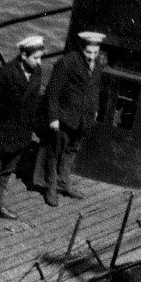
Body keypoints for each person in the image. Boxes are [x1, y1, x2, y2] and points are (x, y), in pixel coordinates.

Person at [0, 36, 45, 228]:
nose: (39, 62)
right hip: (1, 133)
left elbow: (34, 103)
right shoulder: (3, 75)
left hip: (22, 132)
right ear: (23, 55)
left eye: (40, 57)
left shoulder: (36, 72)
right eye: (35, 58)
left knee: (6, 171)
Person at [41, 31, 103, 207]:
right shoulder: (67, 62)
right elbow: (53, 92)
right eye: (88, 52)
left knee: (72, 150)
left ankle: (64, 182)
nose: (91, 56)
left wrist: (95, 110)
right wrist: (53, 117)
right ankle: (51, 187)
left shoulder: (98, 63)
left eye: (95, 52)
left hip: (84, 118)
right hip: (65, 116)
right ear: (81, 48)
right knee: (55, 152)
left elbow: (95, 89)